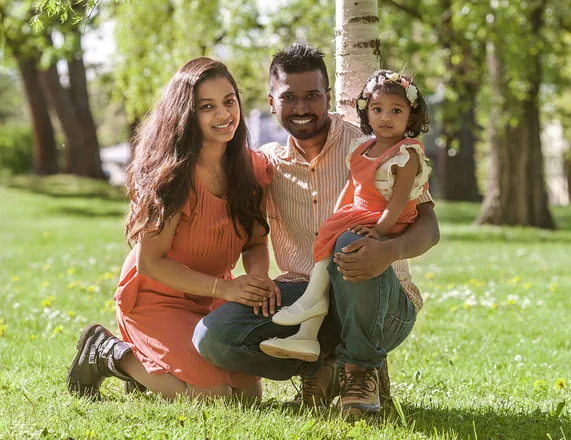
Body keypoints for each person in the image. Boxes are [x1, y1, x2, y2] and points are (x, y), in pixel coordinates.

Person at [193, 43, 440, 415]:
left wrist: (389, 250)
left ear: (328, 96)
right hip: (302, 299)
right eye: (289, 97)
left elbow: (429, 226)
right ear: (271, 102)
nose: (302, 107)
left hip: (380, 299)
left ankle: (359, 371)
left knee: (352, 240)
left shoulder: (374, 147)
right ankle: (319, 364)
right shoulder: (267, 166)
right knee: (213, 337)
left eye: (312, 96)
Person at [66, 57, 278, 401]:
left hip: (211, 299)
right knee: (214, 396)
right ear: (187, 114)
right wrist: (224, 290)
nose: (224, 115)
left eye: (229, 101)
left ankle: (156, 369)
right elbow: (151, 263)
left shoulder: (250, 169)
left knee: (248, 397)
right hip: (154, 299)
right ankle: (108, 353)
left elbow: (255, 242)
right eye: (207, 106)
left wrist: (258, 278)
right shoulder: (175, 177)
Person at [259, 69, 432, 363]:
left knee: (351, 244)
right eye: (377, 110)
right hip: (358, 212)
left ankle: (359, 368)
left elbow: (401, 201)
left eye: (396, 111)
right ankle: (307, 337)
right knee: (330, 240)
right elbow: (352, 187)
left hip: (383, 221)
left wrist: (381, 235)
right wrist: (337, 218)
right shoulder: (361, 148)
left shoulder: (407, 153)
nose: (386, 117)